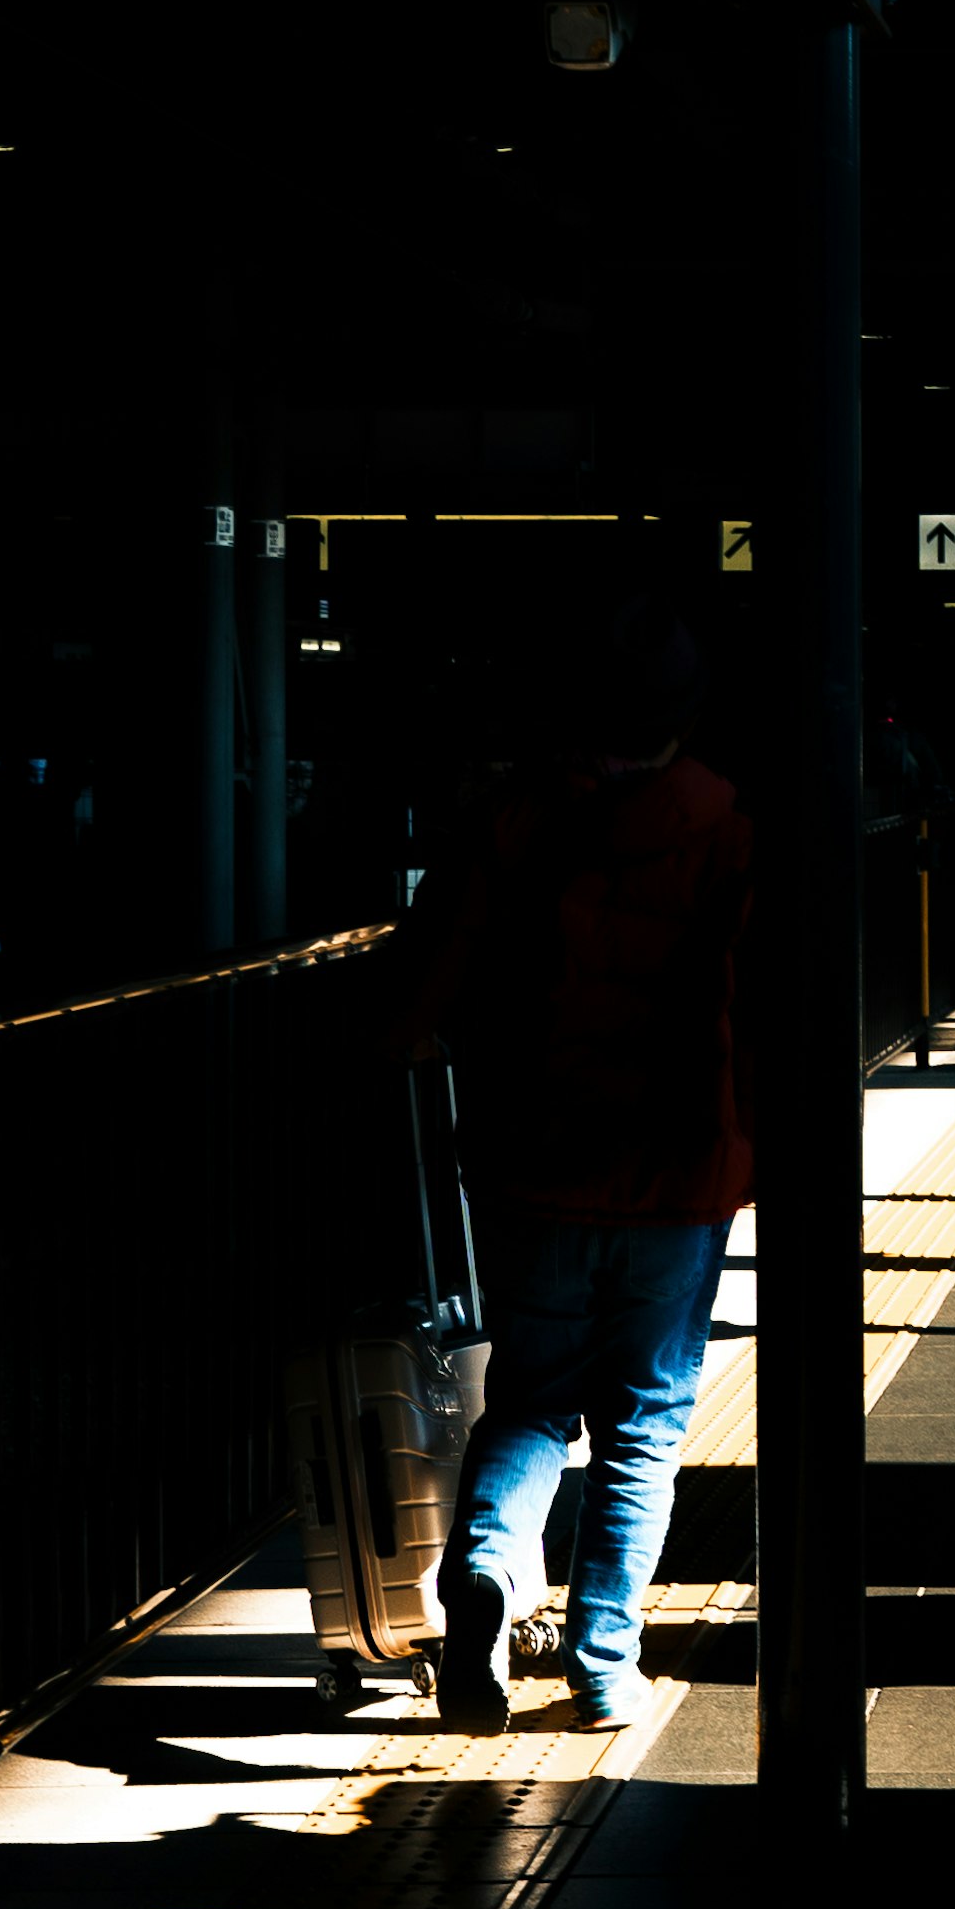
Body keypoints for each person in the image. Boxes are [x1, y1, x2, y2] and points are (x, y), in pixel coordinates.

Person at [399, 600, 751, 1732]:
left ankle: (485, 1580)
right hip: (676, 1170)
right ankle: (603, 1664)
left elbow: (428, 982)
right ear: (685, 715)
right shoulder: (727, 825)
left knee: (534, 1400)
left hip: (530, 1162)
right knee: (644, 1422)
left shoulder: (510, 820)